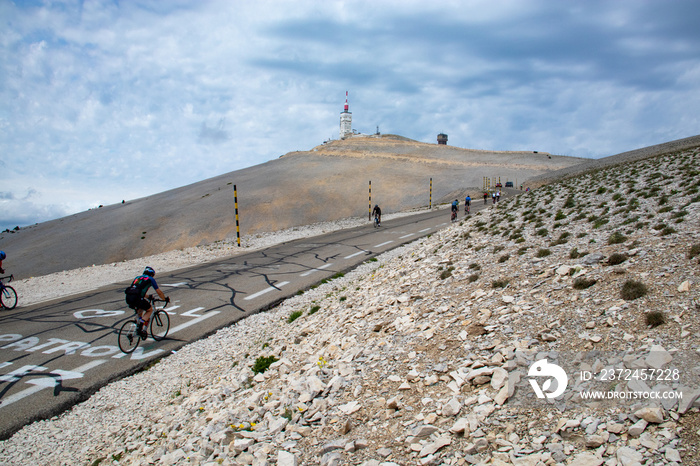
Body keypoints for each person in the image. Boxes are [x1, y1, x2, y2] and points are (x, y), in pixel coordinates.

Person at [125, 266, 168, 337]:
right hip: (137, 298)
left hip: (129, 297)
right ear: (152, 274)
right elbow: (158, 292)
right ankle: (140, 325)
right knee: (149, 310)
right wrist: (164, 299)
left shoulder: (137, 278)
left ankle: (138, 326)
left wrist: (148, 297)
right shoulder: (150, 279)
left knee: (140, 309)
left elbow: (137, 290)